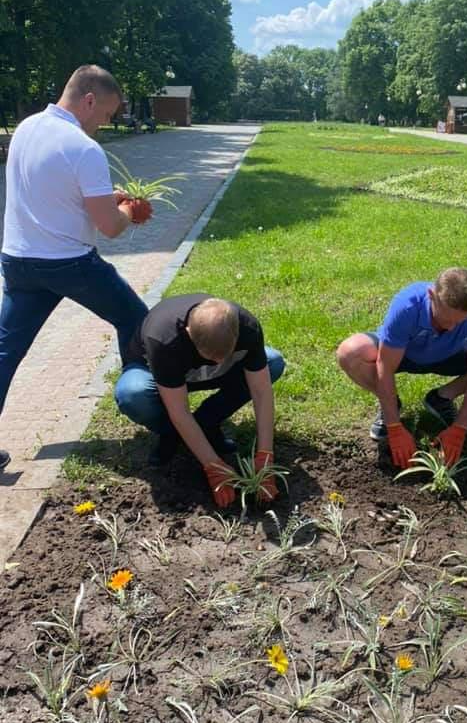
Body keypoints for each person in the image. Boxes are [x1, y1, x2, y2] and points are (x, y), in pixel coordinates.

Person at [0, 65, 152, 472]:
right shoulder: (84, 149)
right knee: (137, 321)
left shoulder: (27, 129)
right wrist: (129, 212)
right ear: (88, 100)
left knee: (4, 352)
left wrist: (107, 197)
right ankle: (149, 411)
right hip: (69, 263)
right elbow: (109, 227)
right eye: (105, 115)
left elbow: (54, 191)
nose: (105, 124)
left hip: (17, 260)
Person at [336, 267, 467, 469]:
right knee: (349, 353)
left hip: (451, 354)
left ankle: (440, 399)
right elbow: (385, 364)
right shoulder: (408, 306)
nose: (451, 327)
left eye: (459, 321)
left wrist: (460, 427)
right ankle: (390, 406)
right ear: (431, 295)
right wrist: (394, 426)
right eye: (445, 319)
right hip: (404, 354)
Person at [114, 294, 285, 508]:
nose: (218, 361)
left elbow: (261, 391)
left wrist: (265, 455)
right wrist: (213, 466)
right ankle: (171, 434)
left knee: (273, 362)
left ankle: (207, 422)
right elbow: (179, 411)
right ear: (188, 333)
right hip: (155, 372)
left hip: (205, 372)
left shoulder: (247, 327)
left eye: (224, 355)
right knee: (133, 395)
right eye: (211, 356)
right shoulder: (164, 340)